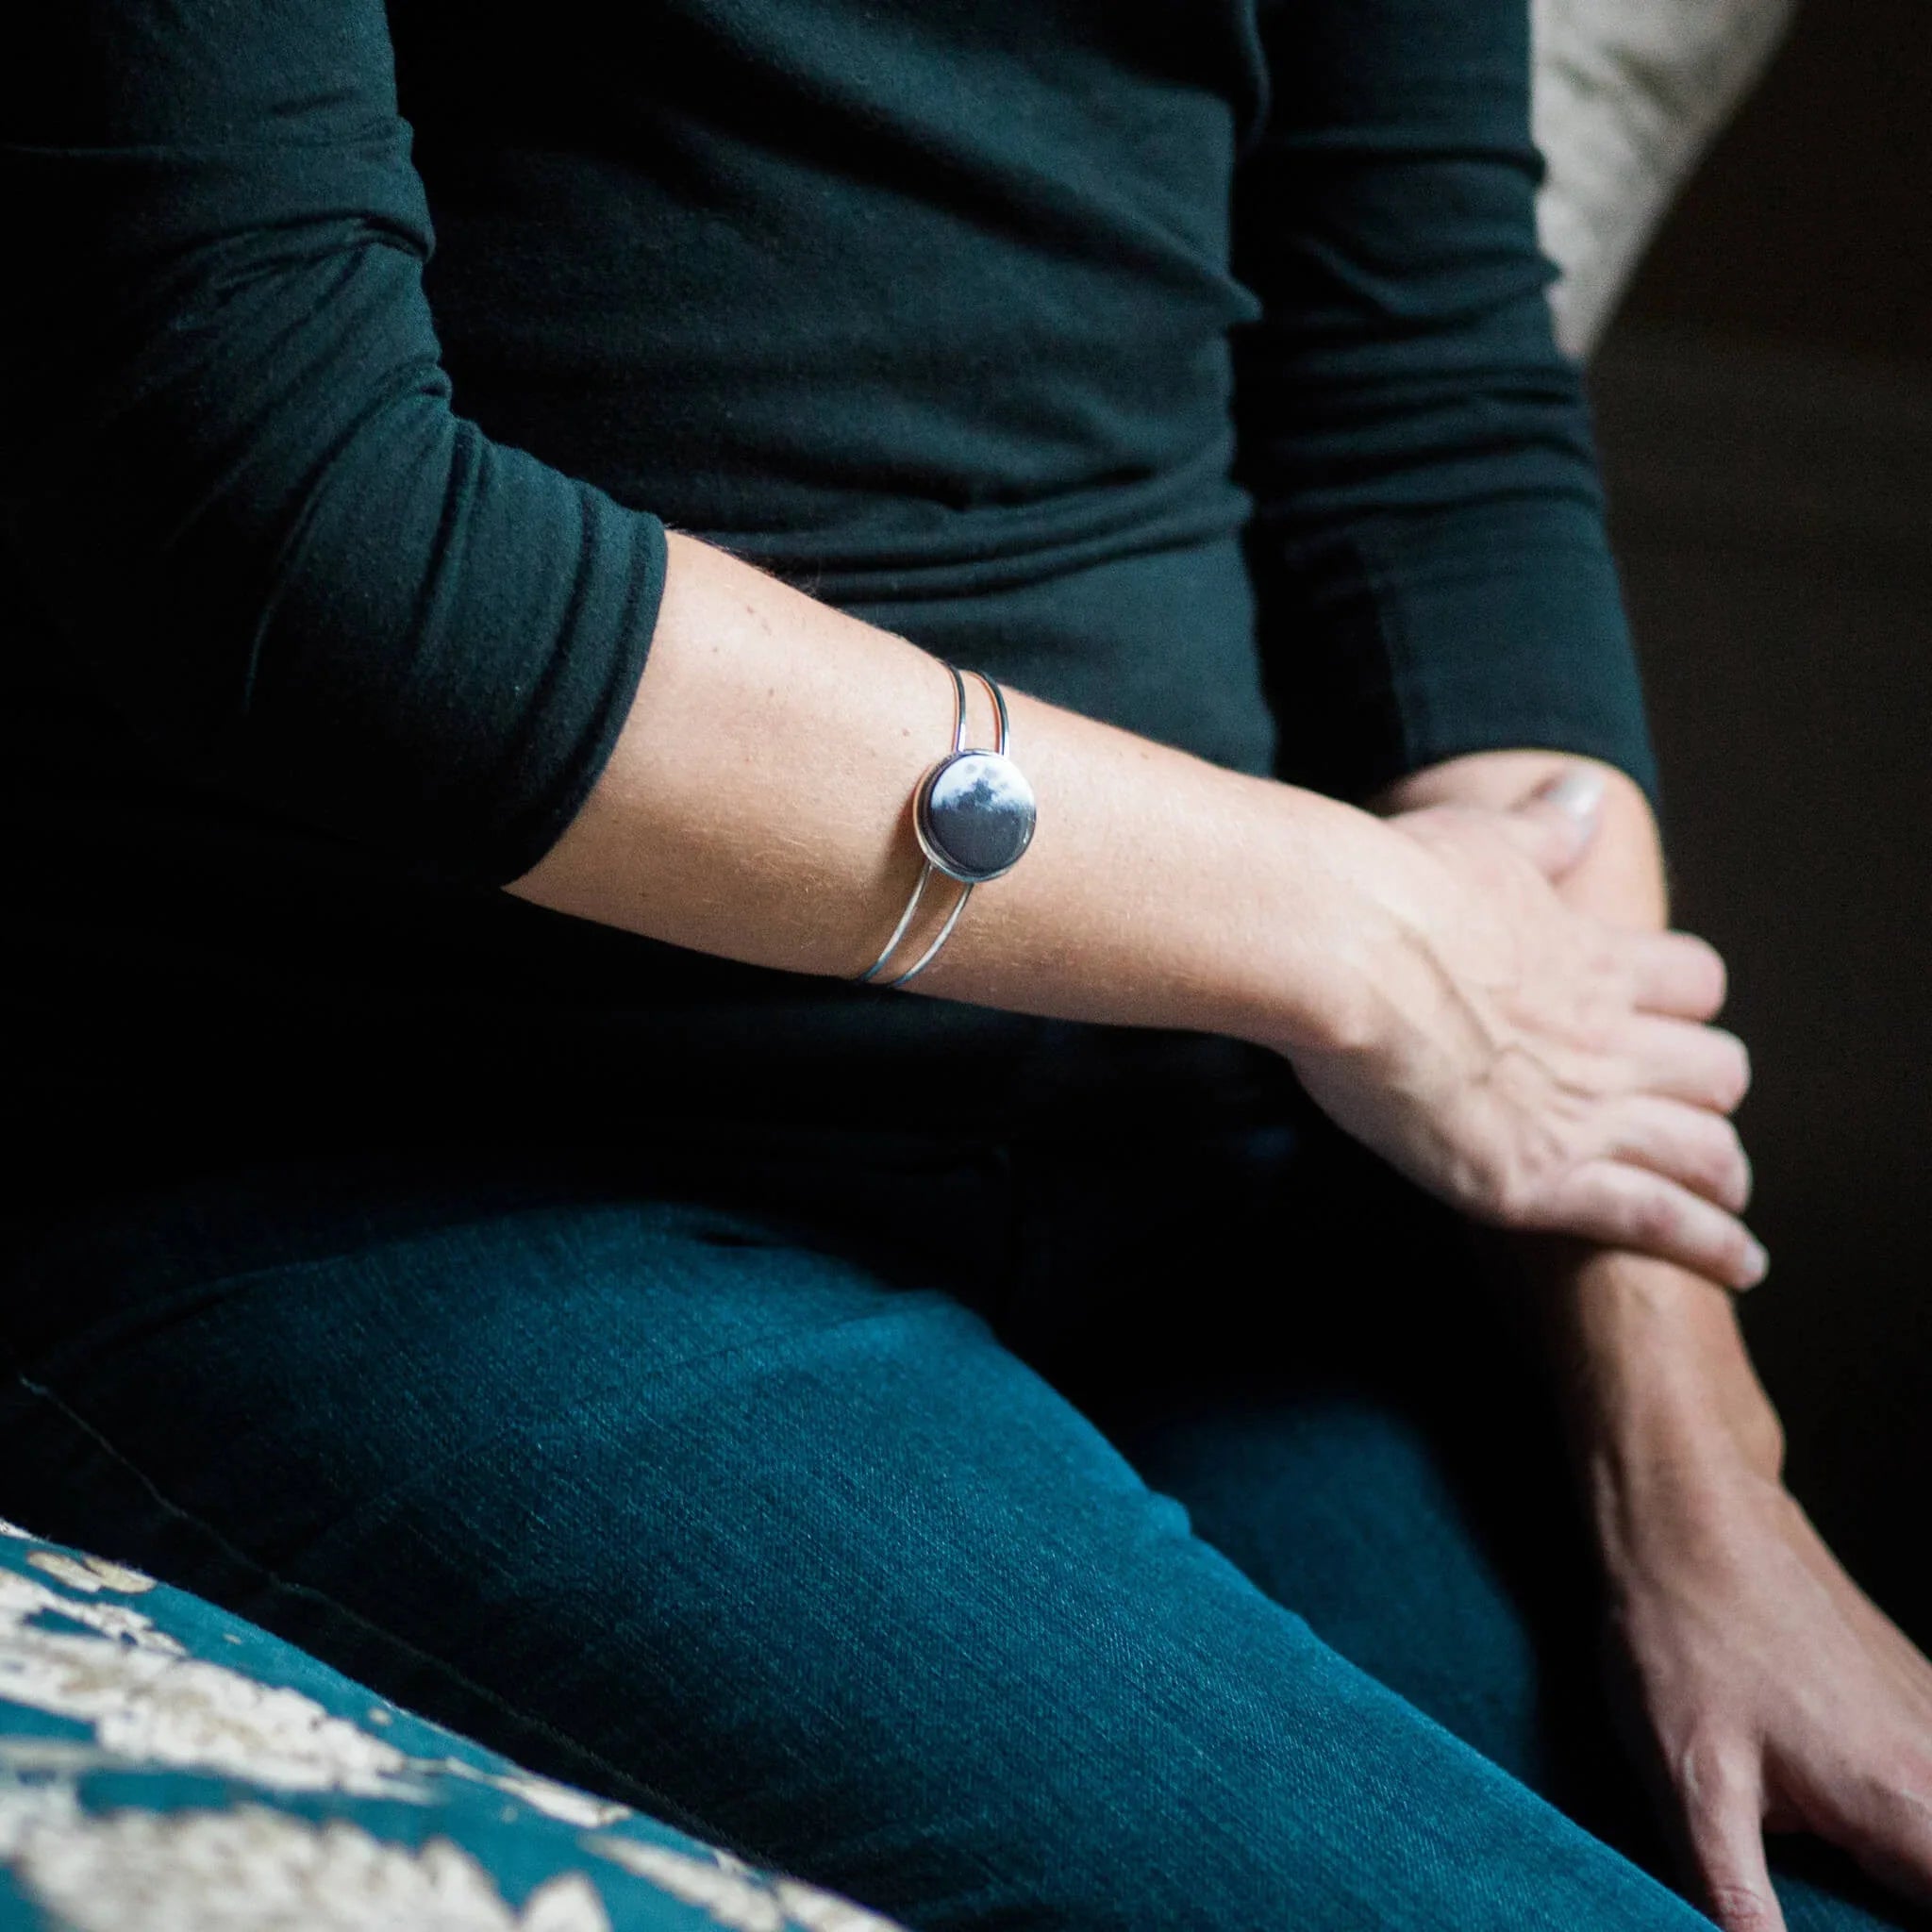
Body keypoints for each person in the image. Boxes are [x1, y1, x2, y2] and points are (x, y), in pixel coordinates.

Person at [2, 1, 1928, 1927]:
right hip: (423, 1160)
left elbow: (1434, 444)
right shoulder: (1342, 948)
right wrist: (1350, 931)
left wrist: (1693, 1476)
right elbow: (273, 502)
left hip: (1205, 1198)